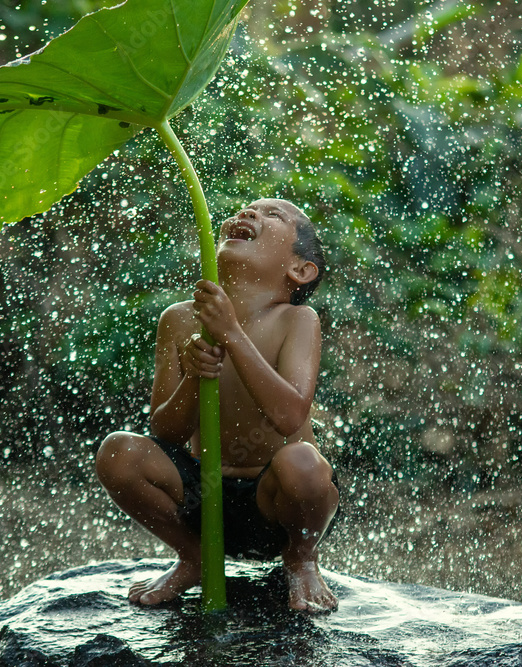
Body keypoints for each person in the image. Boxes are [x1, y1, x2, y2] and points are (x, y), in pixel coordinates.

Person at [94, 198, 340, 613]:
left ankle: (301, 559)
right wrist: (194, 375)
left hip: (276, 505)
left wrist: (231, 335)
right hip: (200, 502)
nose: (249, 214)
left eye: (272, 215)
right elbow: (167, 433)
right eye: (247, 208)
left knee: (304, 463)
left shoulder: (297, 321)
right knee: (118, 452)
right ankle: (193, 557)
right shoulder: (179, 319)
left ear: (299, 270)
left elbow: (289, 416)